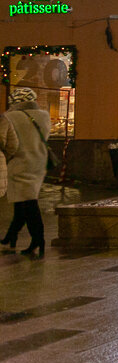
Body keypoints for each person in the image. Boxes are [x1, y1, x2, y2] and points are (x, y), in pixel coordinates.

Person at [2, 87, 50, 259]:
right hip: (38, 163)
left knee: (28, 203)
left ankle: (38, 239)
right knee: (23, 201)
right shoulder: (44, 116)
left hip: (18, 163)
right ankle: (11, 236)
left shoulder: (9, 117)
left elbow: (7, 142)